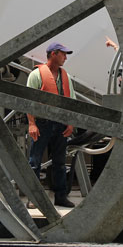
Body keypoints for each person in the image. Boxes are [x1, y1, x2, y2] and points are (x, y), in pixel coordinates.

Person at [27, 42, 77, 208]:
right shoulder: (36, 75)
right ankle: (34, 198)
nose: (66, 57)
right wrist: (32, 124)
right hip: (42, 123)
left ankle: (61, 197)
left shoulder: (65, 76)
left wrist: (70, 123)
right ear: (54, 54)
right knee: (34, 162)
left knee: (60, 163)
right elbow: (29, 101)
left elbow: (71, 101)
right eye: (63, 54)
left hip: (61, 124)